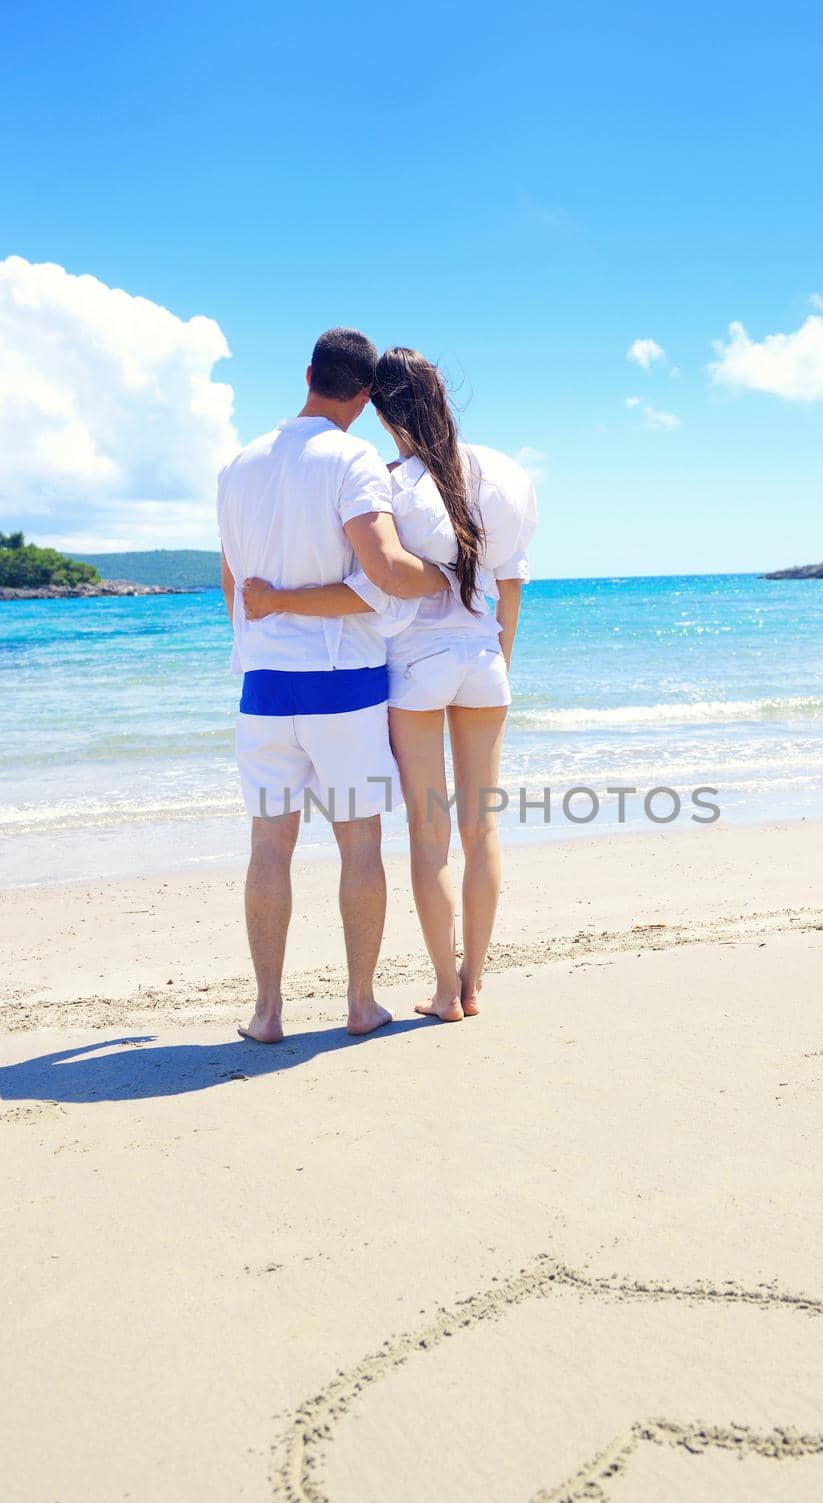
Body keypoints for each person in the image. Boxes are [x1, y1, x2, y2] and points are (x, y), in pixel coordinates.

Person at [242, 346, 536, 1023]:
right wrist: (498, 665)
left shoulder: (387, 481)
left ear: (378, 407)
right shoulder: (499, 473)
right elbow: (511, 587)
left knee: (429, 837)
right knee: (481, 828)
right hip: (482, 661)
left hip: (414, 670)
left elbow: (375, 581)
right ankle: (474, 982)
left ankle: (442, 992)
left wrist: (280, 600)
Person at [218, 328, 447, 1043]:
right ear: (366, 394)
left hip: (262, 684)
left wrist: (265, 620)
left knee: (268, 846)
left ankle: (266, 1012)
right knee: (357, 846)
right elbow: (380, 568)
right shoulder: (351, 458)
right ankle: (359, 1003)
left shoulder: (239, 461)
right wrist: (443, 579)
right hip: (341, 684)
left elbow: (232, 580)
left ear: (309, 373)